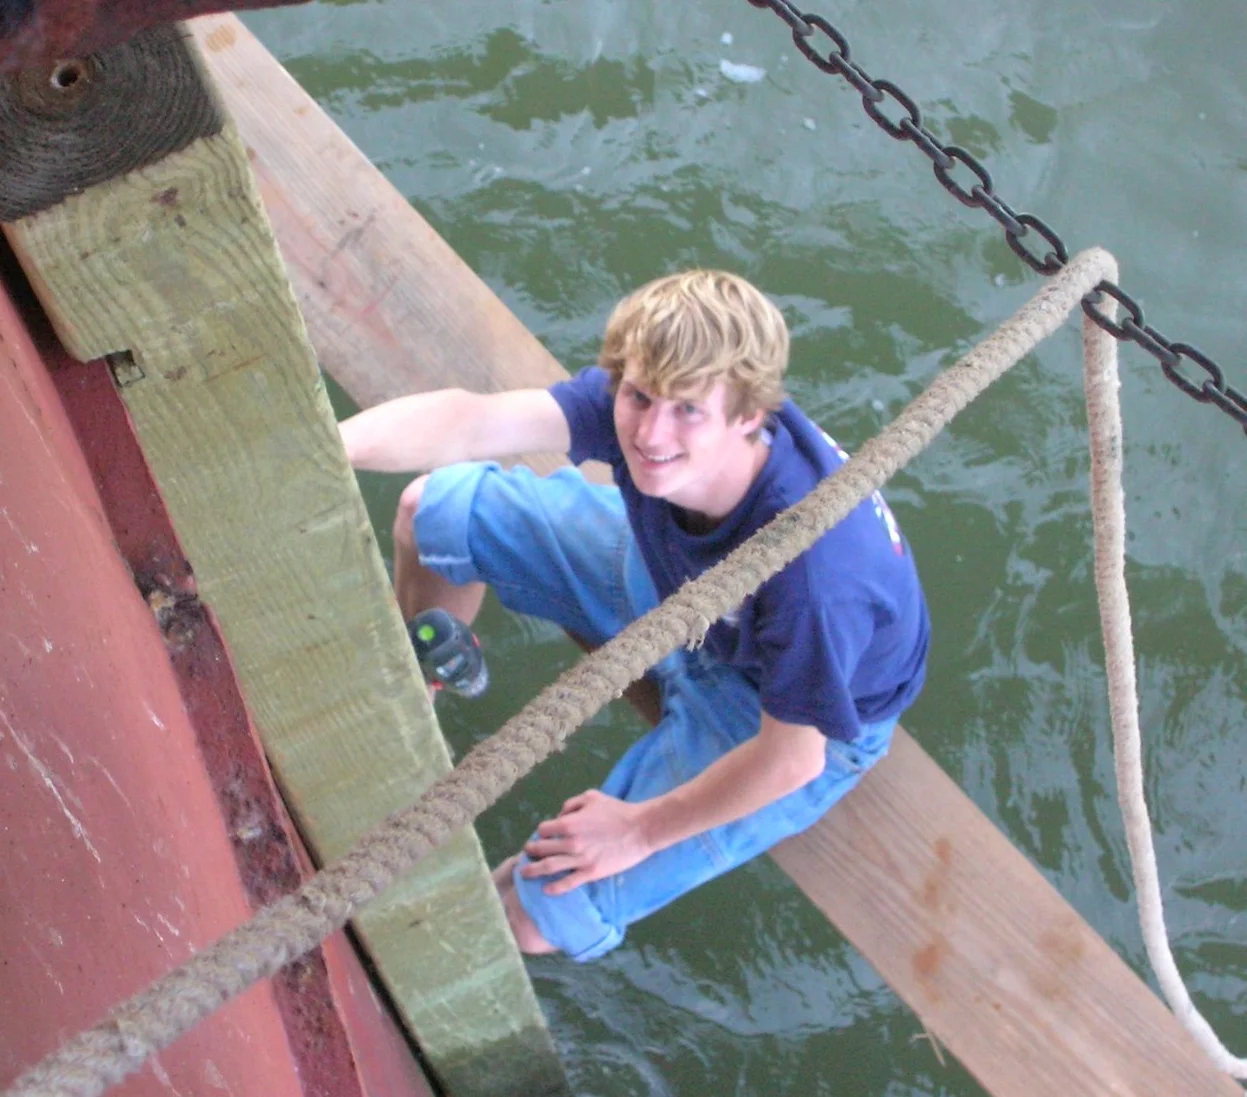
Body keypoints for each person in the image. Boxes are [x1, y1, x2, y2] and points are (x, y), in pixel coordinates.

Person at [339, 270, 929, 962]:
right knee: (433, 510)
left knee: (536, 913)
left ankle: (400, 952)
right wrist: (327, 446)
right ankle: (429, 677)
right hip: (679, 583)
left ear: (749, 416)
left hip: (776, 707)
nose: (650, 434)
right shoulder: (652, 412)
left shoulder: (817, 577)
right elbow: (471, 419)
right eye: (638, 397)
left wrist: (639, 830)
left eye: (685, 411)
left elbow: (791, 758)